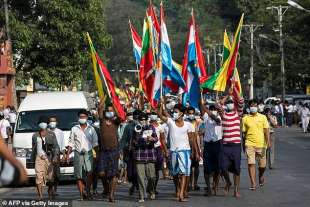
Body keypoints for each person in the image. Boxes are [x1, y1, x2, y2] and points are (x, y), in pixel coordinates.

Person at [158, 103, 198, 202]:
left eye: (176, 112)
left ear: (182, 113)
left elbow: (192, 140)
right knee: (175, 174)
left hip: (184, 152)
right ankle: (178, 189)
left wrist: (195, 152)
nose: (174, 114)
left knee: (183, 173)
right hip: (173, 152)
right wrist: (160, 105)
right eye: (174, 112)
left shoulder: (188, 125)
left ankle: (181, 194)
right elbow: (160, 115)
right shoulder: (170, 122)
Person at [216, 86, 244, 198]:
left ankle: (236, 190)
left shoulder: (238, 114)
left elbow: (241, 100)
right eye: (228, 102)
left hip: (236, 146)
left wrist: (234, 91)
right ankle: (228, 182)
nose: (230, 104)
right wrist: (227, 95)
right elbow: (218, 105)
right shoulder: (224, 114)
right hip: (226, 145)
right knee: (223, 168)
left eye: (231, 102)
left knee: (237, 169)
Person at [66, 109, 99, 200]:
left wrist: (98, 155)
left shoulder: (91, 129)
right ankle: (81, 194)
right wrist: (68, 155)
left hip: (89, 153)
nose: (82, 118)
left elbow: (95, 143)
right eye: (80, 117)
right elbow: (71, 143)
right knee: (78, 175)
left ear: (87, 117)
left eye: (84, 117)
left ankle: (87, 191)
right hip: (78, 153)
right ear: (78, 118)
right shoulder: (74, 128)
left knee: (89, 173)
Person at [242, 99, 270, 190]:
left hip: (261, 145)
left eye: (255, 105)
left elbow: (266, 131)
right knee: (251, 163)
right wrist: (243, 145)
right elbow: (244, 134)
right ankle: (253, 183)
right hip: (249, 144)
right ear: (249, 107)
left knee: (262, 165)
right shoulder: (245, 118)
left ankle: (260, 175)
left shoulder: (263, 117)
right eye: (251, 105)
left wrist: (268, 143)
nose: (253, 107)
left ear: (257, 106)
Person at [97, 100, 121, 202]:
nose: (110, 112)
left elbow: (119, 116)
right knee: (102, 173)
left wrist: (114, 106)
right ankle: (106, 188)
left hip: (114, 151)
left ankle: (111, 195)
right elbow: (99, 109)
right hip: (103, 151)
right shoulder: (102, 121)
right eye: (108, 111)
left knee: (114, 174)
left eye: (111, 111)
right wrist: (103, 101)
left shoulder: (115, 122)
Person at [32, 116, 60, 200]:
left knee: (50, 178)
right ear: (38, 124)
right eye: (41, 122)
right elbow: (33, 148)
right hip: (39, 158)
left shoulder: (51, 134)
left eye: (44, 122)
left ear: (47, 124)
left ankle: (50, 190)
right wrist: (33, 159)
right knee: (38, 177)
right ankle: (40, 196)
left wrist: (55, 156)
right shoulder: (35, 135)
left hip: (49, 158)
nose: (42, 124)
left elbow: (56, 147)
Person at [132, 112, 158, 203]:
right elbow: (134, 142)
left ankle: (150, 190)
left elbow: (156, 139)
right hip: (140, 156)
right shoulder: (136, 129)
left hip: (150, 155)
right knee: (141, 177)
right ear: (139, 121)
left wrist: (152, 139)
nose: (143, 121)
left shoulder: (151, 127)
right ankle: (142, 196)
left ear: (147, 120)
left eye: (144, 120)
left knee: (152, 177)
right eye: (141, 120)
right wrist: (143, 140)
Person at [199, 102, 222, 196]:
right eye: (211, 109)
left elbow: (216, 119)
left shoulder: (219, 117)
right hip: (208, 145)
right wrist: (200, 94)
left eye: (214, 109)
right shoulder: (205, 117)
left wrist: (208, 110)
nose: (212, 111)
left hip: (217, 144)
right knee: (206, 168)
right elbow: (200, 106)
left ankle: (215, 185)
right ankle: (208, 188)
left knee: (217, 169)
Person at [149, 111, 168, 194]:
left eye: (155, 115)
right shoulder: (147, 125)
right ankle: (148, 186)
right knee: (149, 169)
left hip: (157, 149)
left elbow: (163, 139)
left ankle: (154, 188)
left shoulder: (160, 127)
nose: (153, 116)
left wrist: (166, 151)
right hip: (148, 149)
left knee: (156, 170)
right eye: (152, 115)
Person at [48, 116, 65, 196]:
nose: (52, 123)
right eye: (51, 121)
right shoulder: (46, 131)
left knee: (57, 174)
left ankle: (55, 189)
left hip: (57, 155)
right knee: (50, 174)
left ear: (56, 123)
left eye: (54, 121)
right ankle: (50, 189)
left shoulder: (60, 132)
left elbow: (62, 145)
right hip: (48, 155)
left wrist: (64, 155)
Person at [186, 106, 201, 191]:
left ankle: (195, 183)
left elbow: (200, 133)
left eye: (192, 113)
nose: (191, 115)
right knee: (189, 166)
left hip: (196, 145)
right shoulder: (185, 122)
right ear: (187, 114)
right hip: (188, 145)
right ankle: (189, 184)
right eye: (190, 113)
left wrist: (200, 148)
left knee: (196, 166)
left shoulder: (197, 122)